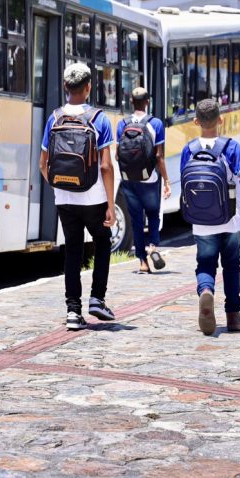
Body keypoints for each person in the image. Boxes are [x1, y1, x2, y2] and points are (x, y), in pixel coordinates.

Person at [180, 98, 240, 336]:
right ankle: (233, 316)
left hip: (202, 222)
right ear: (221, 120)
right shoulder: (231, 147)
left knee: (205, 263)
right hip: (230, 218)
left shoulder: (189, 149)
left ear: (195, 122)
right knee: (231, 266)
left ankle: (206, 291)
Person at [40, 63, 116, 331]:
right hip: (93, 196)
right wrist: (110, 204)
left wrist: (60, 187)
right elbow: (106, 166)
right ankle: (97, 298)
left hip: (65, 198)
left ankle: (73, 311)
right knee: (103, 242)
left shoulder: (54, 118)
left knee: (72, 249)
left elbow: (43, 163)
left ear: (64, 87)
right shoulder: (99, 119)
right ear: (89, 87)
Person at [116, 87, 171, 274]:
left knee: (136, 220)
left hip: (129, 180)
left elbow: (117, 156)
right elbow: (159, 156)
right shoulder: (155, 124)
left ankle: (142, 262)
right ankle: (153, 246)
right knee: (154, 214)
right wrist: (167, 181)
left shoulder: (122, 124)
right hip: (150, 178)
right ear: (147, 102)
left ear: (131, 102)